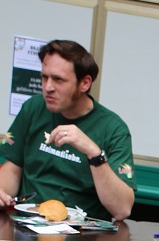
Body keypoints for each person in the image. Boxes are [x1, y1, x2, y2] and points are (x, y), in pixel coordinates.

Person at [0, 39, 135, 220]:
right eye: (44, 77)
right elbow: (13, 167)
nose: (48, 88)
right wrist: (2, 192)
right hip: (28, 225)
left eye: (58, 80)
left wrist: (94, 153)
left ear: (85, 83)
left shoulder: (114, 129)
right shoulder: (33, 108)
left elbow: (122, 209)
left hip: (84, 237)